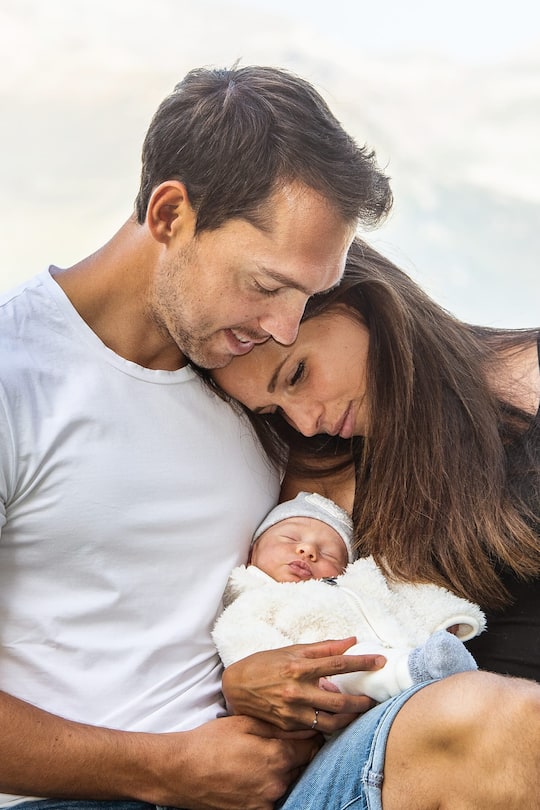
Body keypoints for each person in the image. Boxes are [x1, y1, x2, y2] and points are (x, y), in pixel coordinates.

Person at [0, 64, 396, 810]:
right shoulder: (15, 381)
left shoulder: (251, 386)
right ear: (171, 213)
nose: (284, 328)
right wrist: (166, 768)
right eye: (267, 285)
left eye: (307, 296)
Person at [208, 235, 540, 808]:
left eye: (297, 375)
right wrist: (243, 679)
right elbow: (287, 612)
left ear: (360, 300)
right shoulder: (327, 471)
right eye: (274, 411)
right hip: (442, 750)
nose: (305, 422)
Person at [213, 491, 484, 703]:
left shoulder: (361, 580)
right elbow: (246, 647)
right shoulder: (251, 605)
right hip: (332, 678)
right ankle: (413, 673)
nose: (307, 550)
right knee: (359, 659)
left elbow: (412, 593)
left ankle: (433, 663)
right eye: (290, 538)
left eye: (328, 553)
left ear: (345, 567)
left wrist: (446, 621)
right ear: (252, 551)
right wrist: (298, 678)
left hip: (406, 648)